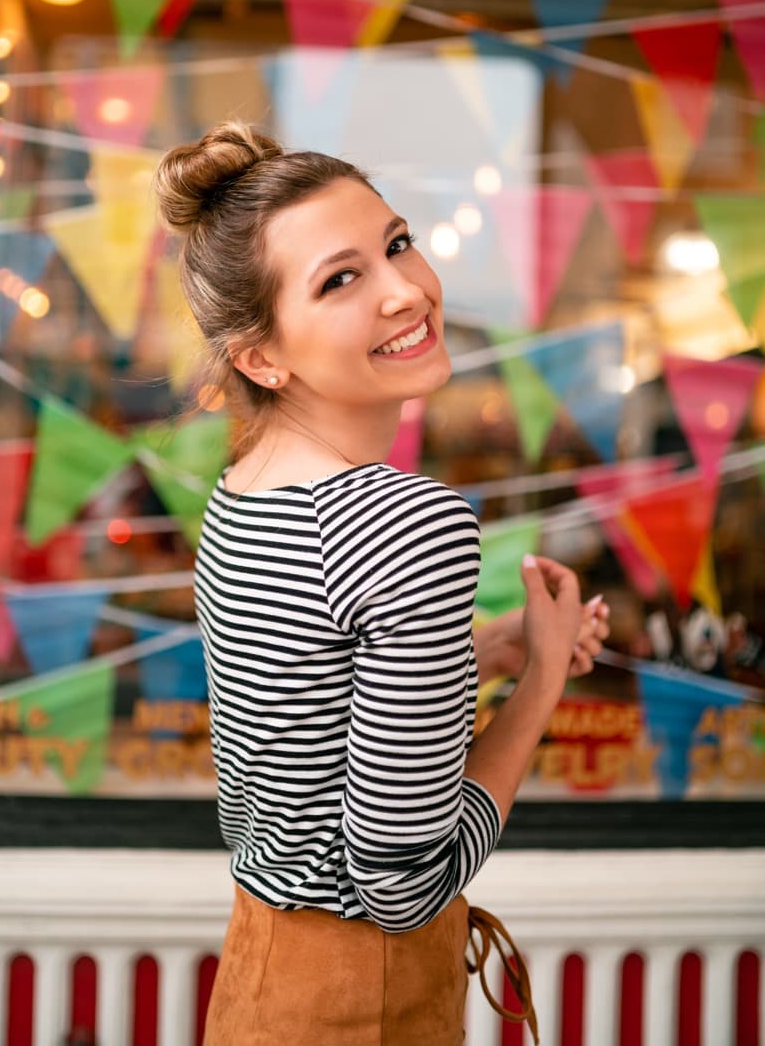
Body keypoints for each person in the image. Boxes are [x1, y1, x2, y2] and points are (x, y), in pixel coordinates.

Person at [154, 121, 609, 1046]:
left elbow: (308, 701)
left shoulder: (241, 496)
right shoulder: (409, 522)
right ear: (260, 357)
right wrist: (543, 682)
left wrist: (474, 649)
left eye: (397, 244)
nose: (409, 290)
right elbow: (402, 886)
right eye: (341, 278)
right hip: (362, 1002)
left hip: (261, 978)